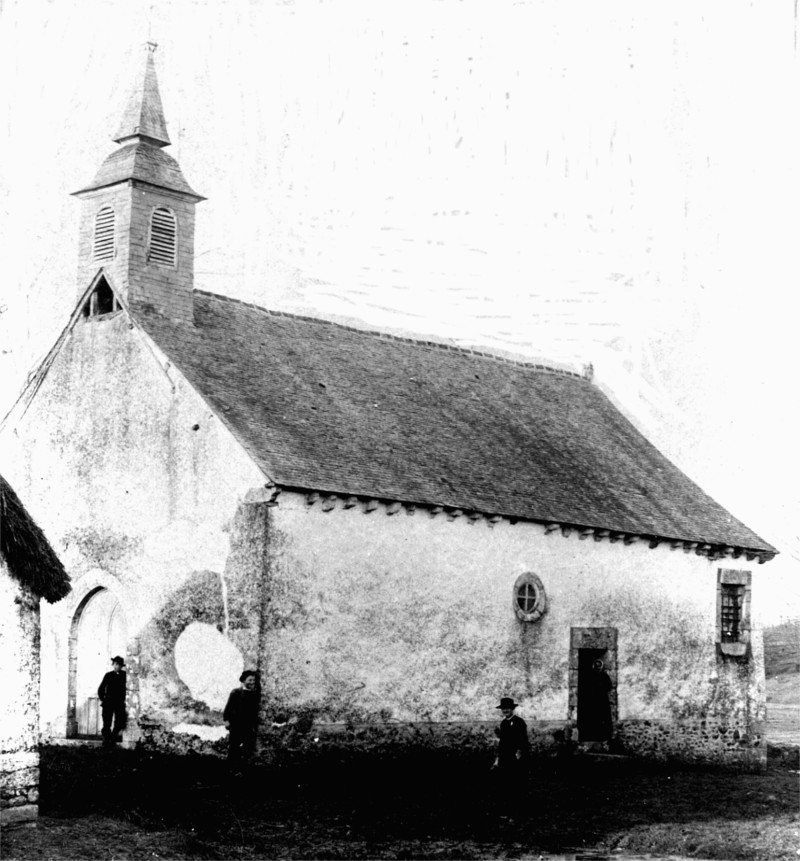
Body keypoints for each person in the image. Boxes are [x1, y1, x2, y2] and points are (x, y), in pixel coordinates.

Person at [491, 696, 529, 821]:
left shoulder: (519, 722)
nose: (505, 711)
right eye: (503, 709)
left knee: (515, 785)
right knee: (504, 785)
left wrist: (519, 752)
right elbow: (502, 743)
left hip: (514, 759)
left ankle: (515, 814)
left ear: (512, 709)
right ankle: (506, 812)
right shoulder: (504, 723)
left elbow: (523, 740)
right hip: (504, 758)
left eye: (508, 708)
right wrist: (497, 760)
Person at [223, 670, 260, 772]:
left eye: (254, 680)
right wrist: (226, 721)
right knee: (234, 747)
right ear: (243, 680)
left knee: (247, 749)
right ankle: (231, 769)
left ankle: (242, 770)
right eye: (250, 680)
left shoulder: (254, 694)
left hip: (248, 726)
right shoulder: (236, 693)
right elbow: (228, 708)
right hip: (236, 725)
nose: (252, 682)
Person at [97, 655, 127, 746]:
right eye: (114, 664)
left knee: (119, 722)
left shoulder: (124, 675)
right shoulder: (108, 675)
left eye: (118, 665)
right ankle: (106, 740)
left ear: (121, 666)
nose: (115, 666)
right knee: (107, 722)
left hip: (119, 703)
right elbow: (100, 689)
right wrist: (104, 699)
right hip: (108, 702)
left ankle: (113, 738)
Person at [586, 658, 613, 741]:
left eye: (599, 666)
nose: (598, 668)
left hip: (603, 699)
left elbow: (609, 686)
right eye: (596, 666)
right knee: (593, 717)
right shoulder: (590, 676)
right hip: (593, 699)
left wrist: (602, 689)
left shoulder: (605, 676)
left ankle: (605, 736)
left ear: (601, 667)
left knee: (604, 717)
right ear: (594, 666)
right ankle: (593, 735)